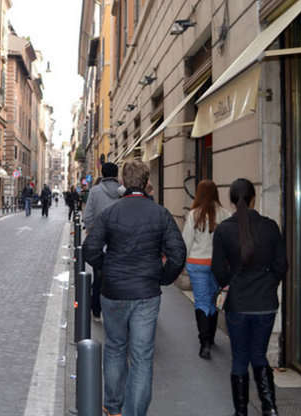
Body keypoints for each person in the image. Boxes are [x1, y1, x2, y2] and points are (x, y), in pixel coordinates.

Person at [83, 160, 186, 416]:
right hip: (146, 293)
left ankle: (113, 408)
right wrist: (162, 277)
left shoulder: (110, 214)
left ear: (124, 183)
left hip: (114, 291)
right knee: (141, 357)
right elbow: (178, 252)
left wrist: (107, 268)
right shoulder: (160, 213)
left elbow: (90, 250)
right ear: (146, 181)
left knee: (115, 348)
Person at [212, 178, 287, 416]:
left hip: (239, 303)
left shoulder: (223, 230)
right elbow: (281, 265)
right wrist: (268, 283)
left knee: (240, 358)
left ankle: (241, 411)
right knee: (259, 355)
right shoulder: (270, 226)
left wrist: (231, 282)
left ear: (232, 201)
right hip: (265, 303)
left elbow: (218, 270)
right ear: (254, 198)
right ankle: (270, 408)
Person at [182, 180, 232, 360]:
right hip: (217, 265)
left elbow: (186, 242)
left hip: (197, 264)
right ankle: (210, 337)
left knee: (201, 301)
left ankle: (204, 343)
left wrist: (181, 264)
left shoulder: (194, 215)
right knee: (212, 300)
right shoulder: (225, 214)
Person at [83, 162, 124, 321]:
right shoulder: (123, 192)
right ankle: (115, 312)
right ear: (116, 174)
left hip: (100, 242)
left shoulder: (95, 191)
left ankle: (96, 311)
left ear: (102, 172)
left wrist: (93, 232)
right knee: (118, 277)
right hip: (120, 242)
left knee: (98, 276)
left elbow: (87, 216)